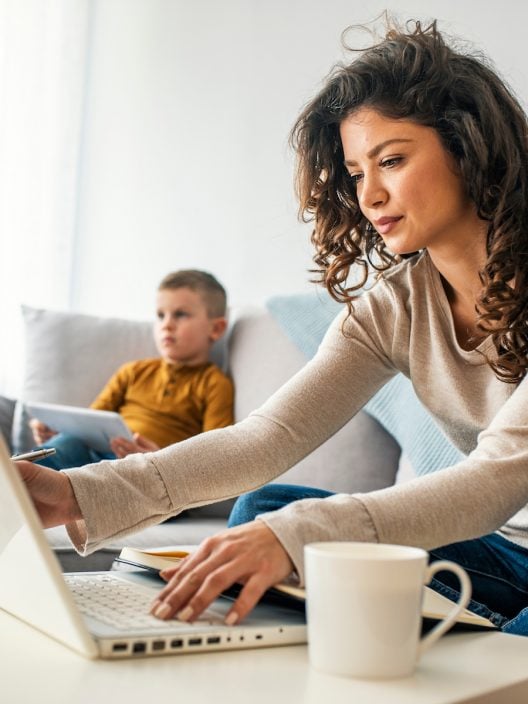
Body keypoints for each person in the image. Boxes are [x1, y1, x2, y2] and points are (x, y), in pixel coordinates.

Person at [15, 19, 528, 635]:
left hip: (495, 523)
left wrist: (302, 534)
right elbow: (269, 436)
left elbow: (499, 477)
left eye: (391, 160)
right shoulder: (395, 307)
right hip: (505, 557)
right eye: (357, 173)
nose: (370, 195)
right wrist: (74, 492)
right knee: (266, 511)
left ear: (468, 148)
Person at [29, 269, 234, 469]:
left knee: (124, 473)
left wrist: (159, 461)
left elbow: (214, 457)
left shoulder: (215, 384)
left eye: (180, 315)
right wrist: (56, 431)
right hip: (94, 451)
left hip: (146, 469)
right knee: (67, 443)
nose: (166, 325)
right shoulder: (134, 371)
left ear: (216, 329)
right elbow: (91, 421)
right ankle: (22, 476)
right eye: (161, 315)